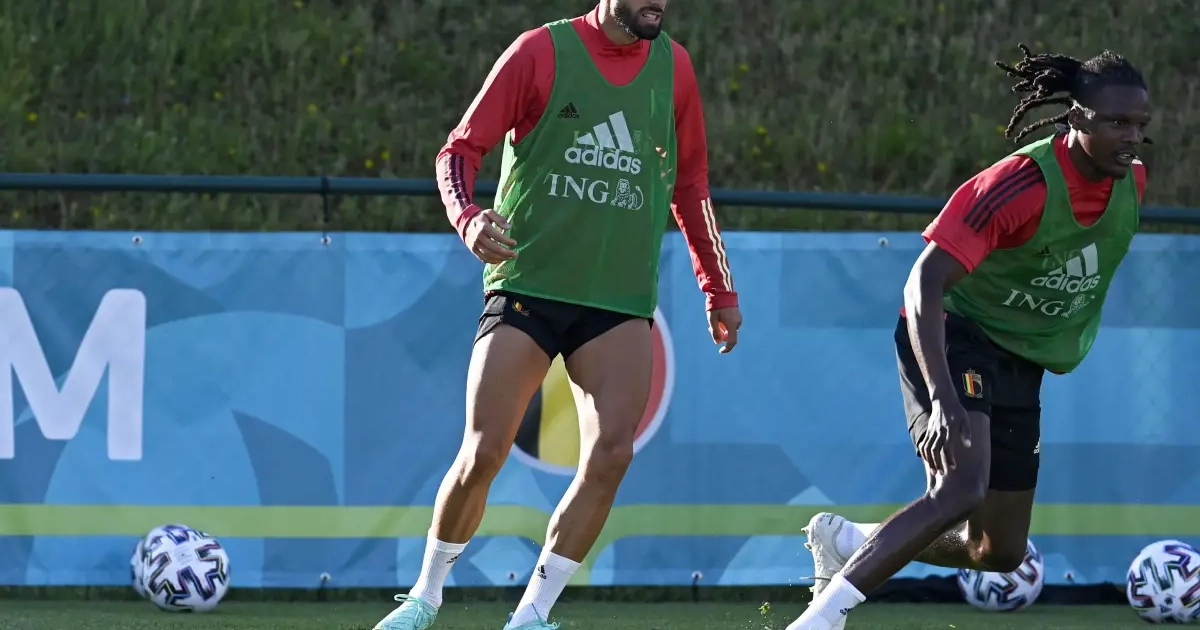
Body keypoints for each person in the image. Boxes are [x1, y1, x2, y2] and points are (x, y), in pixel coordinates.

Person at [373, 1, 742, 629]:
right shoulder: (539, 51)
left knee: (612, 455)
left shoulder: (675, 67)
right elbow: (459, 150)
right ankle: (425, 598)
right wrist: (468, 217)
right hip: (529, 287)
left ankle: (532, 615)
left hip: (618, 299)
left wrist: (719, 288)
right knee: (484, 450)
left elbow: (691, 184)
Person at [790, 44, 1150, 630]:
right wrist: (942, 397)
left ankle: (849, 542)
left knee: (999, 551)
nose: (1131, 137)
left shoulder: (1133, 181)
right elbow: (924, 281)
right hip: (953, 333)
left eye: (1139, 124)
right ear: (1076, 117)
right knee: (961, 487)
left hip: (1020, 359)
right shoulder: (1021, 185)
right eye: (1116, 122)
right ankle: (821, 619)